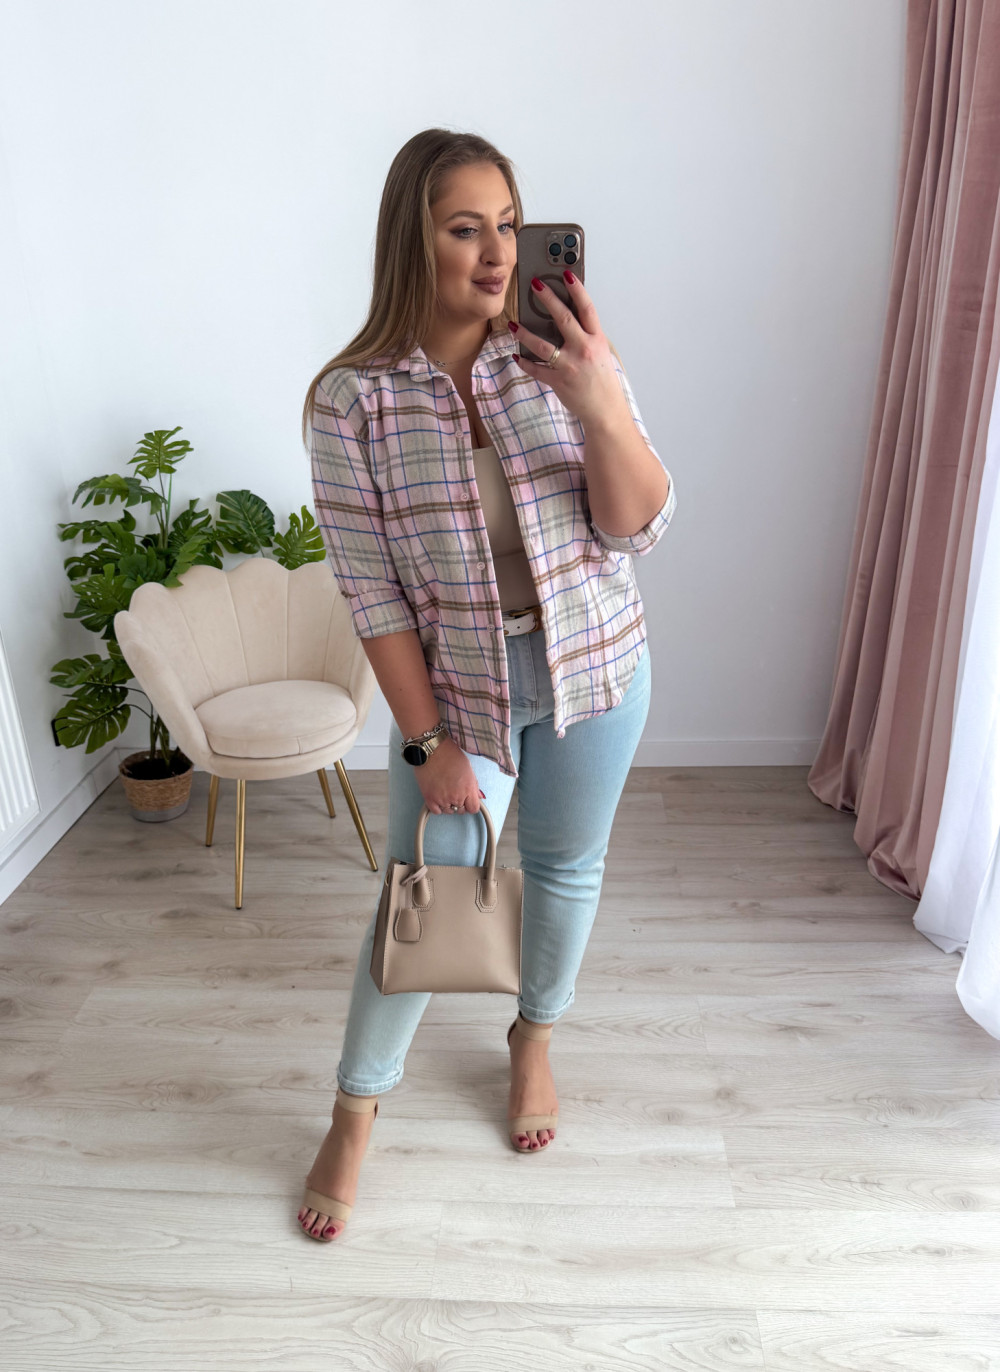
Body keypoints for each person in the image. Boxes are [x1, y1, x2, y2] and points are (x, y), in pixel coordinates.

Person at [299, 128, 677, 1243]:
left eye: (508, 225)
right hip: (459, 690)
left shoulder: (561, 357)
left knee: (565, 869)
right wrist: (428, 745)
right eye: (466, 228)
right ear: (411, 240)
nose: (499, 253)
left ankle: (534, 1039)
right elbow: (372, 595)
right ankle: (355, 1112)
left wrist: (599, 400)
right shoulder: (351, 402)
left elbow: (638, 528)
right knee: (422, 898)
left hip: (597, 664)